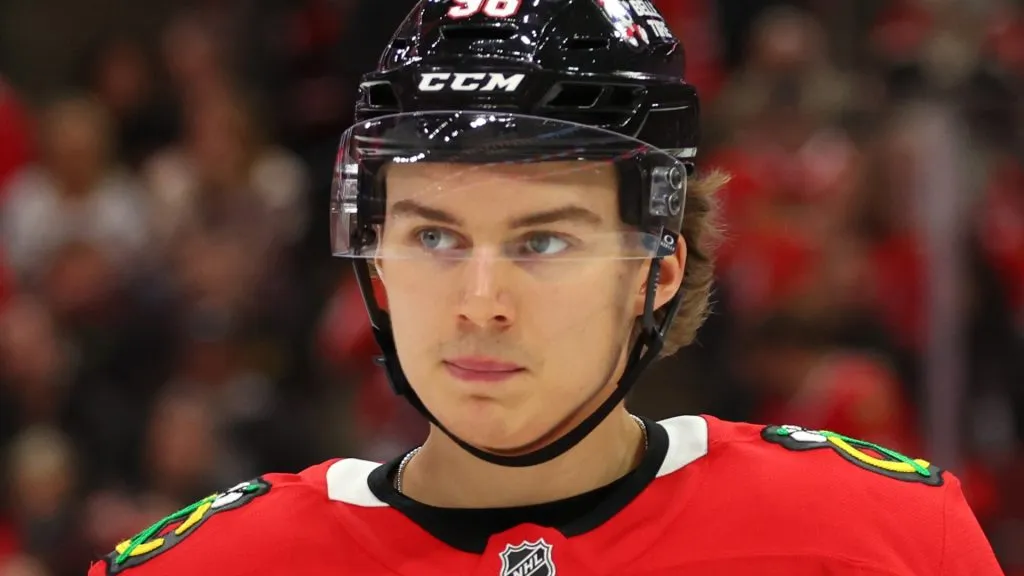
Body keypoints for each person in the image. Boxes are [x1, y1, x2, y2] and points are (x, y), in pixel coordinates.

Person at [89, 1, 1003, 574]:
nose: (480, 299)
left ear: (659, 269)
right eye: (435, 235)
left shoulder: (885, 542)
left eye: (545, 240)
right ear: (373, 264)